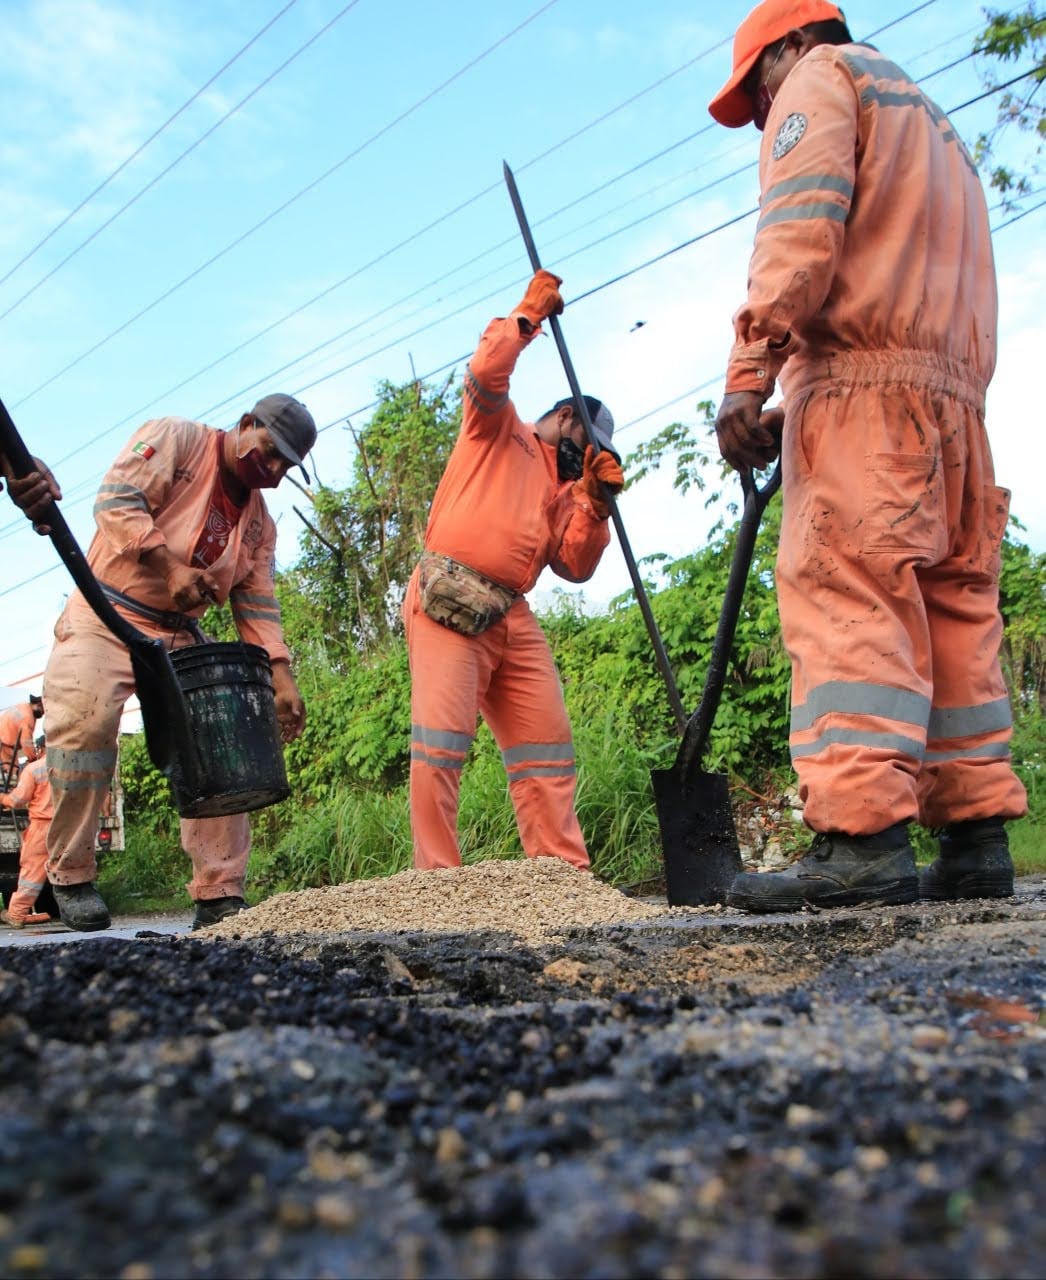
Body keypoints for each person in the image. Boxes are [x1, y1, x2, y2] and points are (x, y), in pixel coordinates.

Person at [706, 0, 1028, 913]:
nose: (764, 117)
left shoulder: (823, 80)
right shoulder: (939, 127)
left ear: (792, 44)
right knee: (955, 606)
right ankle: (975, 846)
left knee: (849, 593)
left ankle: (861, 842)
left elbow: (800, 231)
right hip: (959, 406)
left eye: (756, 93)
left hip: (862, 392)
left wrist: (748, 373)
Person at [42, 394, 313, 932]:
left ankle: (219, 891)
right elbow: (116, 502)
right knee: (86, 726)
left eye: (287, 464)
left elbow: (256, 598)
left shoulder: (258, 523)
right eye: (270, 451)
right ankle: (70, 874)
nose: (275, 468)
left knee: (221, 740)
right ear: (245, 425)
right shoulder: (177, 439)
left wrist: (281, 675)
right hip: (107, 611)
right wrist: (167, 566)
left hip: (176, 633)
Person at [403, 269, 624, 872]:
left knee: (548, 749)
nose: (589, 451)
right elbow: (483, 373)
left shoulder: (563, 491)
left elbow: (575, 565)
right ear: (565, 417)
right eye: (587, 437)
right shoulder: (500, 429)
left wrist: (594, 505)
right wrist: (526, 318)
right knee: (441, 745)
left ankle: (563, 876)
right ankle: (437, 883)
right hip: (450, 592)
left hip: (510, 611)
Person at [0, 735, 53, 928]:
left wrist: (3, 798)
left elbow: (17, 800)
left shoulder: (35, 769)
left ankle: (16, 913)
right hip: (70, 826)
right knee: (70, 868)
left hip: (42, 826)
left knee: (32, 871)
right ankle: (84, 913)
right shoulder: (72, 768)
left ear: (40, 748)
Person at [0, 695, 44, 784]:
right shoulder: (27, 717)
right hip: (5, 744)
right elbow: (26, 742)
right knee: (12, 777)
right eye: (42, 711)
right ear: (38, 705)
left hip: (4, 740)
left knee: (11, 774)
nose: (42, 714)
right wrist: (33, 759)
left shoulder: (23, 706)